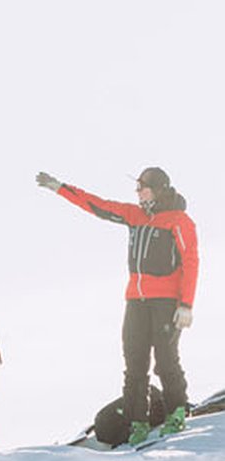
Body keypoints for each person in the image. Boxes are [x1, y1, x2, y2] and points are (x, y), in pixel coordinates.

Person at [37, 166, 198, 442]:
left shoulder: (178, 220)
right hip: (135, 301)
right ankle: (138, 422)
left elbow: (191, 261)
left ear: (158, 189)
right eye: (136, 188)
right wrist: (60, 188)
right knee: (134, 362)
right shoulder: (134, 216)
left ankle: (176, 412)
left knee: (165, 359)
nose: (137, 192)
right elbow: (97, 205)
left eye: (142, 187)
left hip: (166, 301)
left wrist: (186, 304)